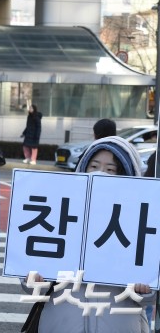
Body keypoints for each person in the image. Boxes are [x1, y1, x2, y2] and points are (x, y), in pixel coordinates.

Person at [23, 135, 155, 333]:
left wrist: (144, 289)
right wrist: (34, 280)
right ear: (83, 169)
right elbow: (33, 287)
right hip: (61, 324)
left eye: (111, 170)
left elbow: (150, 296)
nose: (101, 174)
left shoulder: (141, 224)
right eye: (94, 166)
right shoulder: (58, 215)